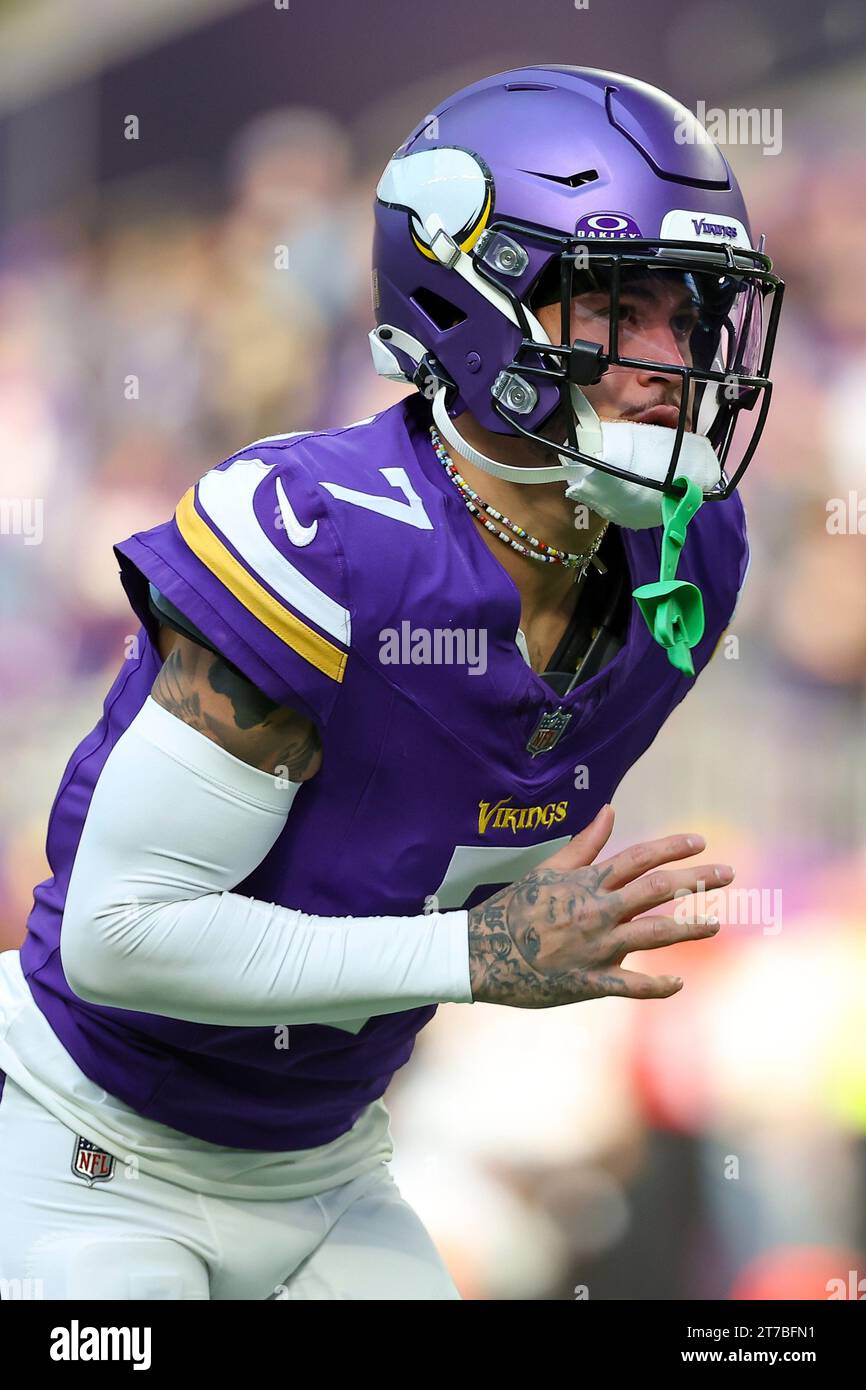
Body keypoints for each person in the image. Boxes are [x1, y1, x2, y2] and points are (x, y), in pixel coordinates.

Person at [0, 65, 783, 1300]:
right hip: (95, 1148)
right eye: (617, 309)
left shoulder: (690, 554)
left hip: (331, 1165)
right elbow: (119, 935)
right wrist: (475, 957)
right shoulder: (327, 533)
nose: (669, 363)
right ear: (472, 299)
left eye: (688, 318)